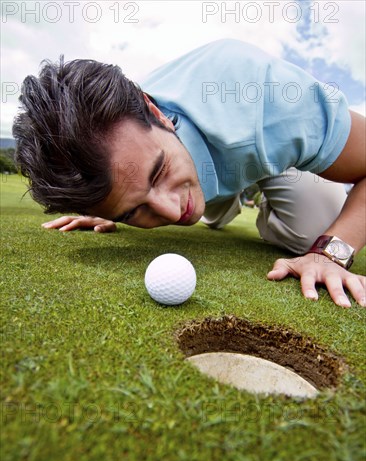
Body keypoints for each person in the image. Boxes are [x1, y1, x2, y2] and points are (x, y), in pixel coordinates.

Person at [13, 39, 365, 308]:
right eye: (134, 212)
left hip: (276, 148)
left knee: (313, 233)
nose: (169, 212)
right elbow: (123, 173)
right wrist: (105, 203)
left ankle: (254, 193)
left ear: (157, 113)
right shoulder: (126, 146)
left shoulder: (273, 103)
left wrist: (328, 254)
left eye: (157, 173)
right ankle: (218, 201)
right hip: (215, 154)